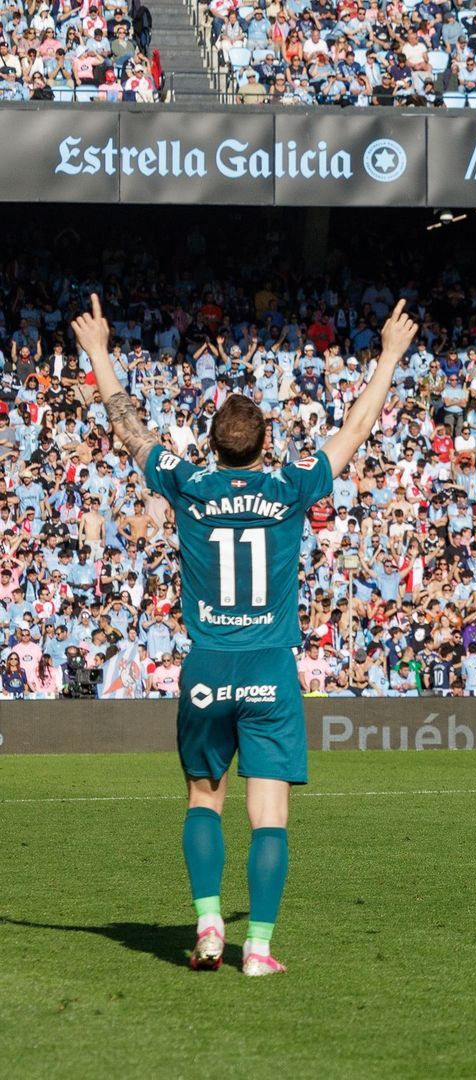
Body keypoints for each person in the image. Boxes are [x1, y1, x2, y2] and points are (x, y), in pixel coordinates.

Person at [71, 293, 418, 976]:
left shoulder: (189, 483)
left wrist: (99, 353)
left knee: (205, 799)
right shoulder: (290, 485)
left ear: (210, 445)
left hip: (206, 666)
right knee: (269, 818)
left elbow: (130, 431)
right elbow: (355, 428)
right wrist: (389, 357)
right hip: (269, 669)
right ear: (266, 444)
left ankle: (207, 926)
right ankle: (256, 948)